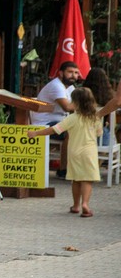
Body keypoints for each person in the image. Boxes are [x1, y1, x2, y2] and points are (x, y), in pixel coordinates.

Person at [28, 87, 107, 216]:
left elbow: (54, 129)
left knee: (76, 179)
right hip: (90, 152)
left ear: (75, 103)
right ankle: (85, 204)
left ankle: (76, 206)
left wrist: (36, 133)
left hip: (74, 152)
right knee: (87, 179)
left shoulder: (72, 118)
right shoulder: (95, 118)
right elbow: (99, 133)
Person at [31, 61, 80, 177]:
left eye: (76, 73)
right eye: (70, 72)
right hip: (45, 123)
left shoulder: (70, 87)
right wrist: (83, 104)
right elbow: (67, 107)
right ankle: (63, 169)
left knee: (78, 128)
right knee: (72, 131)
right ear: (61, 73)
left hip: (59, 121)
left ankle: (73, 167)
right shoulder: (56, 86)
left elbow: (75, 106)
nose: (73, 75)